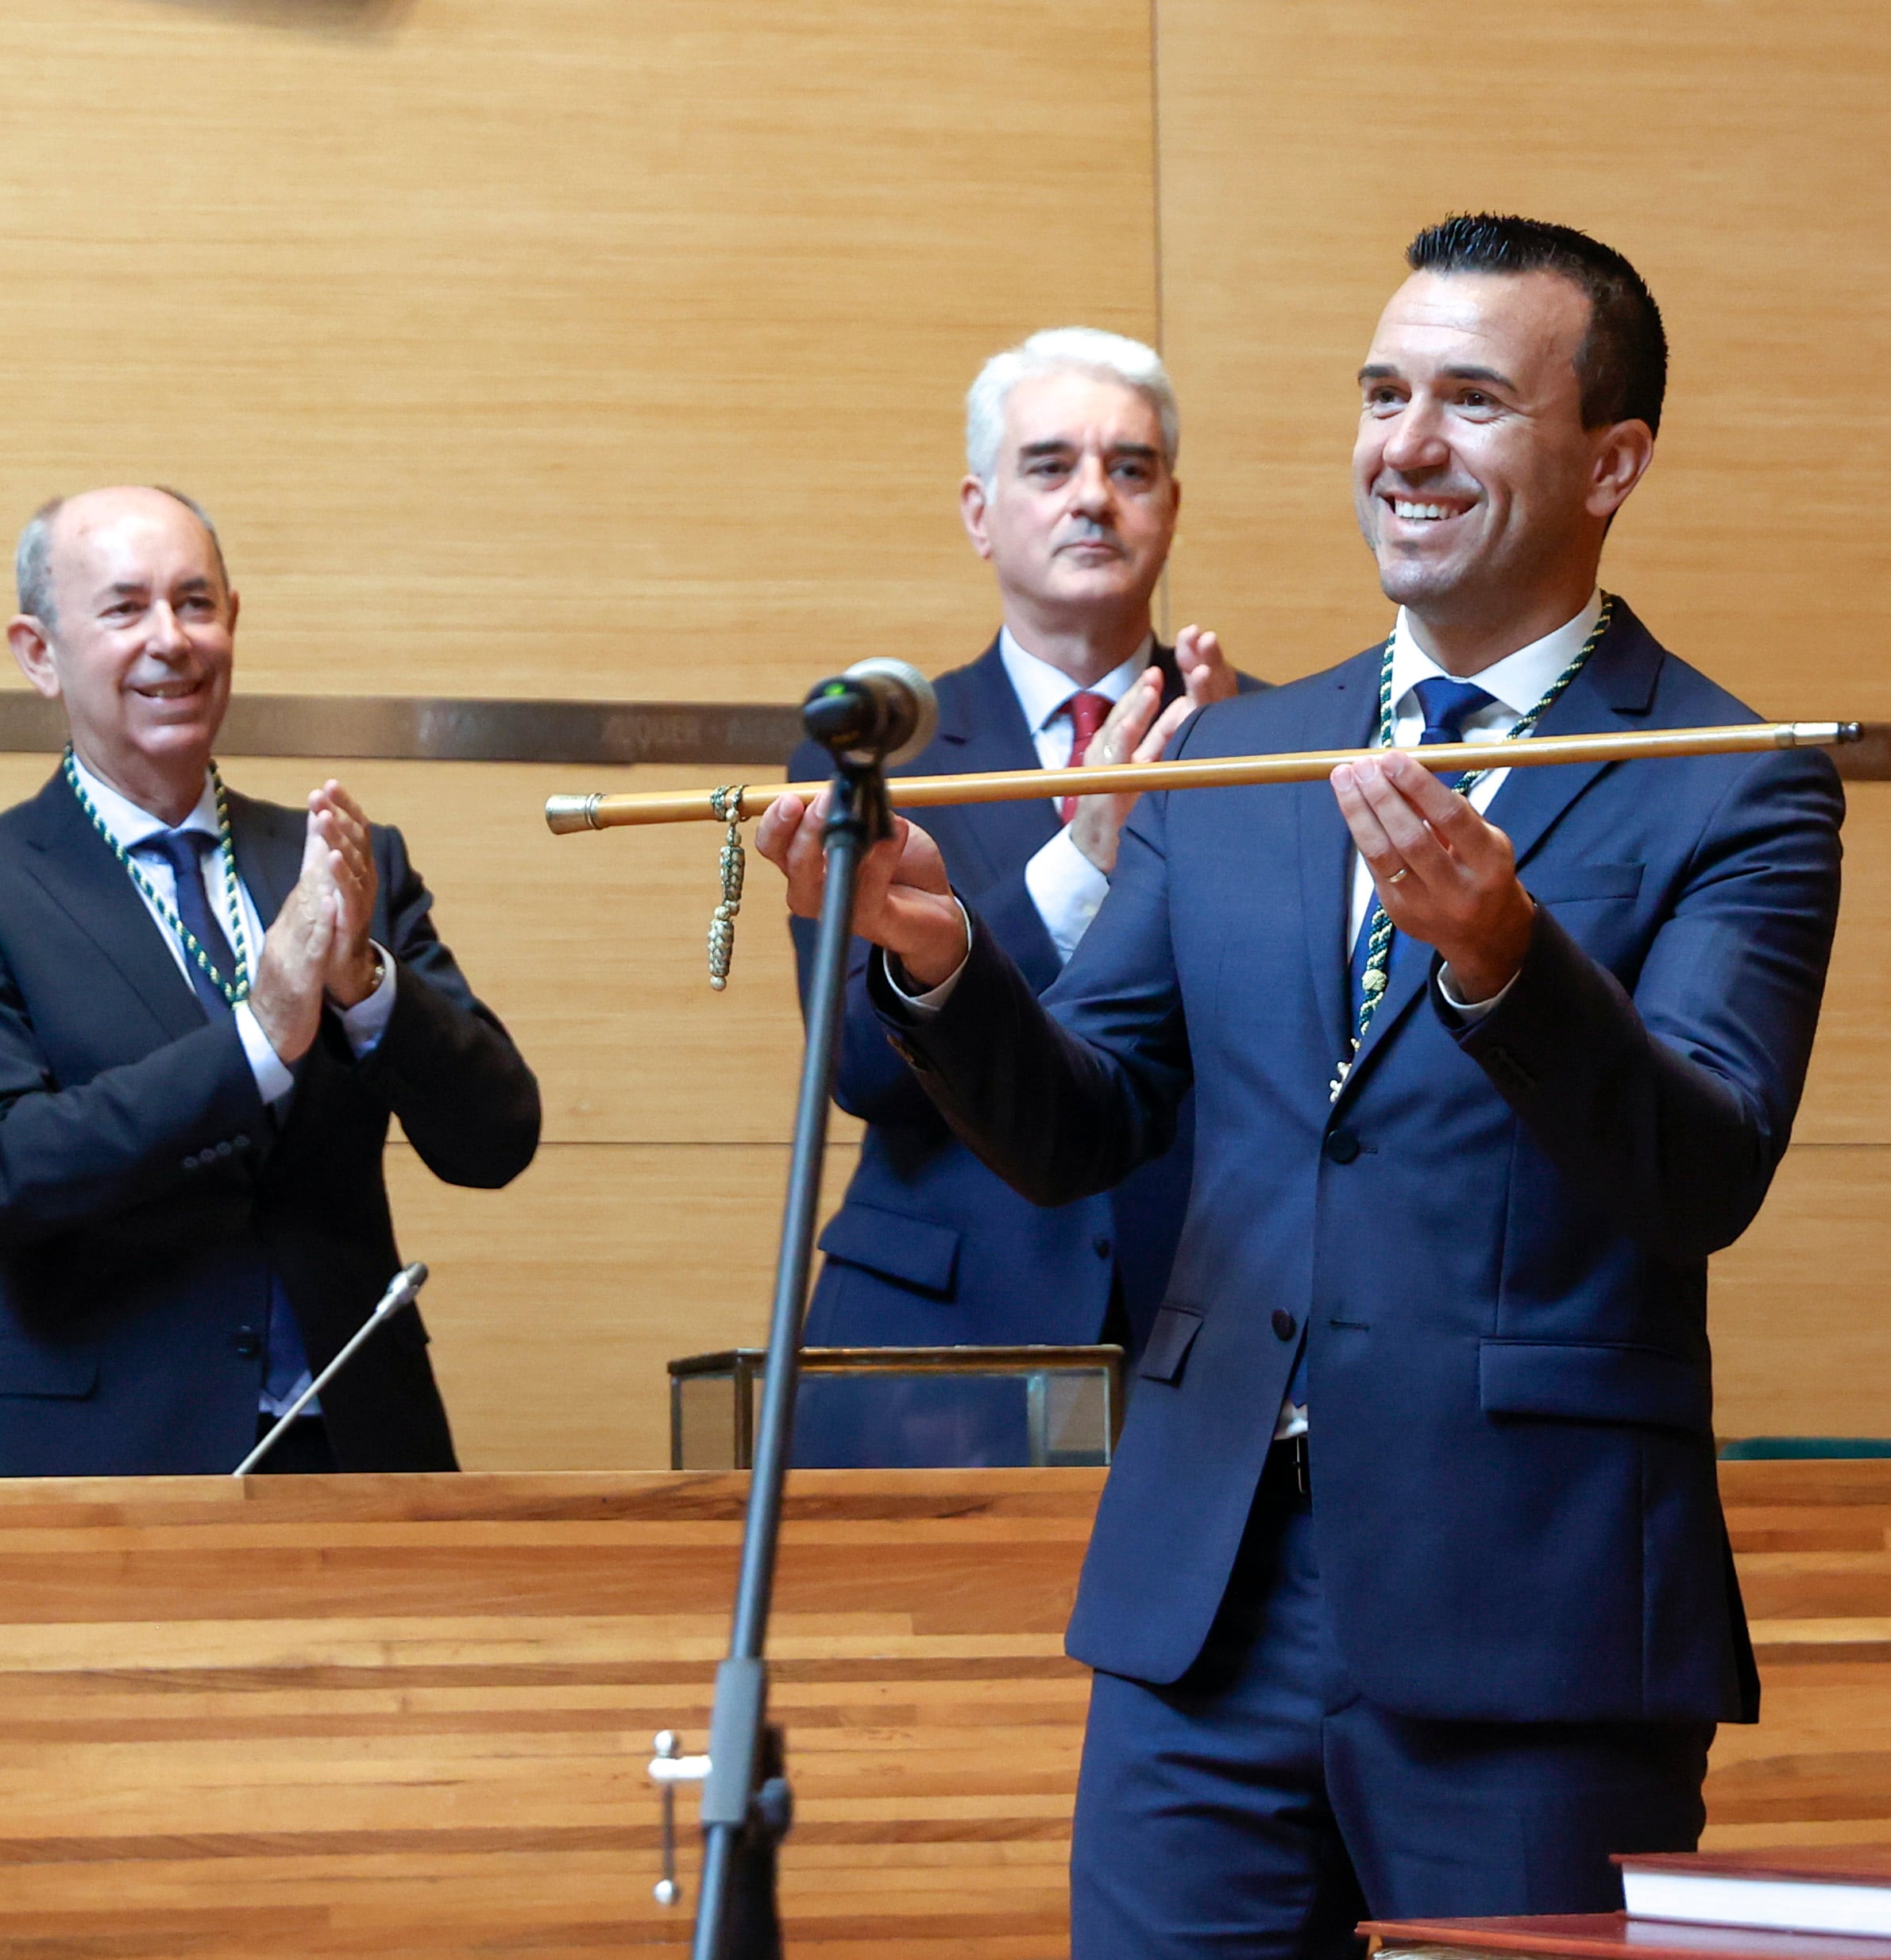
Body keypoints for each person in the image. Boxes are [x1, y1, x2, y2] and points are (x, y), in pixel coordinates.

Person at [759, 215, 1844, 1953]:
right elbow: (1086, 1120)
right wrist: (942, 966)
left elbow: (1701, 1170)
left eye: (1474, 401)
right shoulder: (1254, 750)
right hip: (1208, 1595)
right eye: (1382, 392)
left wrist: (1506, 960)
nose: (1405, 447)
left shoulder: (1732, 783)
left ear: (1613, 459)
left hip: (1532, 1616)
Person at [0, 485, 541, 1476]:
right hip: (98, 1458)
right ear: (38, 653)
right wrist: (256, 1041)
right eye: (124, 608)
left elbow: (496, 1139)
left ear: (234, 621)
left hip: (358, 1443)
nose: (171, 639)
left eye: (196, 603)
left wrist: (363, 984)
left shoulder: (341, 860)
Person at [785, 327, 1241, 1467]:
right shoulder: (870, 756)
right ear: (980, 512)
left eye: (1128, 469)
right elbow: (861, 1061)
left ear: (1170, 507)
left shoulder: (1274, 745)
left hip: (1206, 1322)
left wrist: (1233, 797)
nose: (1094, 497)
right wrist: (1081, 864)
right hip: (936, 1337)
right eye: (1050, 466)